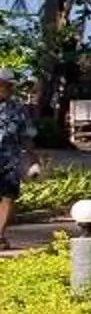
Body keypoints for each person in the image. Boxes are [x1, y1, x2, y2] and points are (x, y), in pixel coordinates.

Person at [0, 75, 27, 238]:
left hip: (10, 161)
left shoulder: (17, 108)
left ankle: (0, 235)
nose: (9, 90)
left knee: (8, 197)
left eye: (10, 87)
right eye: (5, 87)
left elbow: (26, 134)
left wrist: (33, 157)